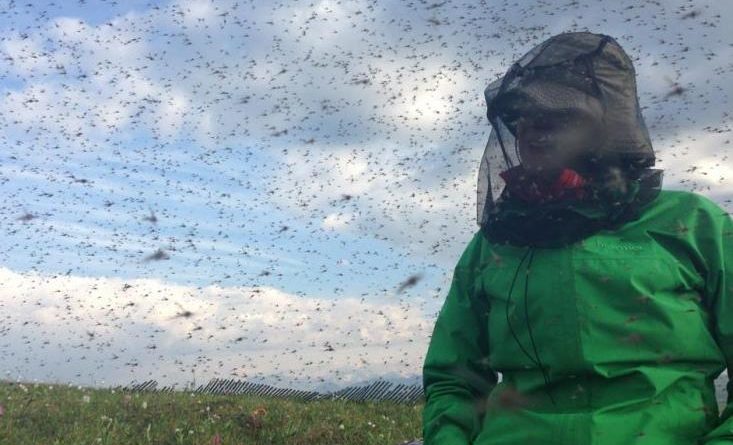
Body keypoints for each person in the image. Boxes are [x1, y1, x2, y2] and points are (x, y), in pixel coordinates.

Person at [421, 31, 733, 445]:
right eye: (524, 119)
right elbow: (453, 377)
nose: (534, 132)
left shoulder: (695, 224)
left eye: (557, 116)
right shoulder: (494, 243)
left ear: (607, 125)